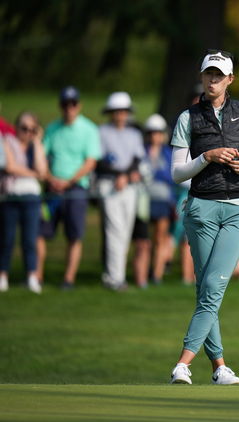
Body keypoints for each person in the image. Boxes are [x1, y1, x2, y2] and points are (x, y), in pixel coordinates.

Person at [169, 50, 239, 385]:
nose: (212, 80)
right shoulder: (188, 118)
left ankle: (183, 363)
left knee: (212, 285)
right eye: (208, 74)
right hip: (201, 208)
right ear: (202, 77)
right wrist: (207, 157)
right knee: (205, 290)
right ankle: (220, 367)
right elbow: (177, 173)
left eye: (218, 75)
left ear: (230, 80)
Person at [38, 86, 101, 289]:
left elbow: (90, 162)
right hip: (52, 188)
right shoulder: (52, 129)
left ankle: (68, 279)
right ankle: (36, 276)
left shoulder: (89, 129)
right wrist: (49, 177)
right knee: (40, 232)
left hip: (76, 189)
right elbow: (42, 157)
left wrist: (68, 181)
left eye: (72, 104)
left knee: (74, 235)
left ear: (78, 105)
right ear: (61, 106)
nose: (69, 108)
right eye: (65, 104)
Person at [97, 91, 145, 290]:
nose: (120, 115)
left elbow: (137, 158)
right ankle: (116, 278)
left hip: (129, 186)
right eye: (116, 111)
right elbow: (99, 161)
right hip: (109, 184)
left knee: (124, 233)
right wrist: (120, 175)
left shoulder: (133, 133)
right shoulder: (101, 132)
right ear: (111, 113)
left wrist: (129, 173)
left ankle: (113, 274)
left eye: (123, 111)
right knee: (114, 230)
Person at [0, 112, 47, 293]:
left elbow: (42, 169)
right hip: (10, 196)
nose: (27, 132)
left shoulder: (35, 146)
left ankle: (31, 276)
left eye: (32, 129)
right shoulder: (6, 141)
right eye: (24, 128)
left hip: (32, 197)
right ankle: (3, 275)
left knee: (30, 239)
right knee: (7, 238)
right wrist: (35, 174)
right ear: (16, 127)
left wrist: (36, 142)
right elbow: (10, 166)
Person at [143, 114, 176, 284]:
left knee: (160, 238)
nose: (155, 136)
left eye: (158, 132)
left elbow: (174, 176)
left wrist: (156, 173)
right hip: (144, 201)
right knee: (145, 240)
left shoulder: (168, 153)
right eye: (152, 132)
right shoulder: (142, 151)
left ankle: (157, 274)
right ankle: (145, 272)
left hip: (163, 201)